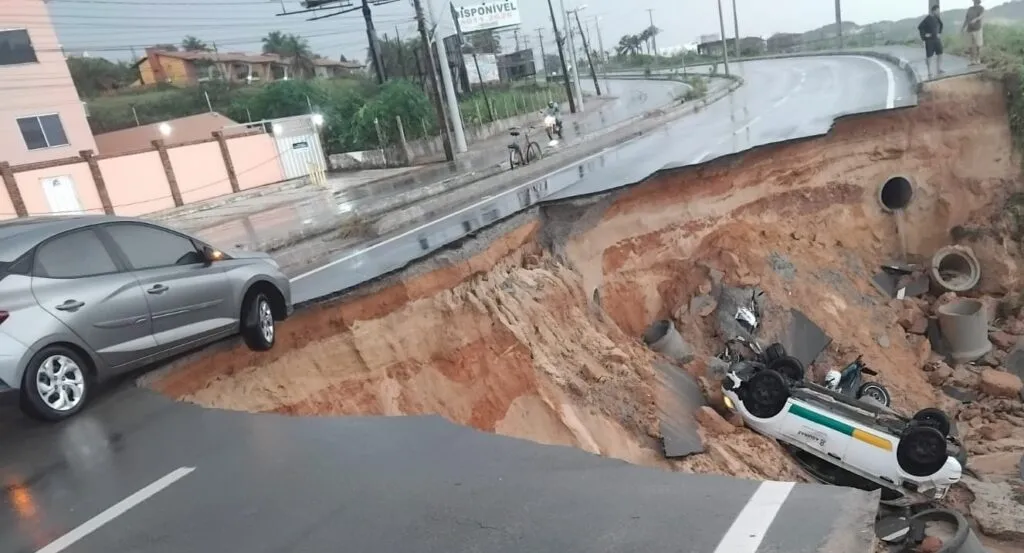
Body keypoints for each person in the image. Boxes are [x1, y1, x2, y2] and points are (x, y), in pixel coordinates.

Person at [918, 5, 945, 79]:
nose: (938, 12)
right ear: (933, 11)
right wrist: (924, 36)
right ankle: (929, 71)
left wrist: (939, 33)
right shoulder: (927, 18)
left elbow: (941, 25)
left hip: (936, 39)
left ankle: (939, 69)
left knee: (940, 53)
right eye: (937, 11)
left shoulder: (937, 18)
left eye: (938, 11)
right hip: (929, 41)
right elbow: (920, 27)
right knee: (929, 56)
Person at [963, 0, 985, 66]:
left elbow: (982, 16)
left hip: (977, 29)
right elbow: (966, 19)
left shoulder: (981, 8)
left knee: (978, 45)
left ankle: (978, 59)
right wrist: (963, 27)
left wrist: (976, 19)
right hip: (969, 29)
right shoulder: (970, 9)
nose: (975, 2)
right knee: (970, 46)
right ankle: (972, 60)